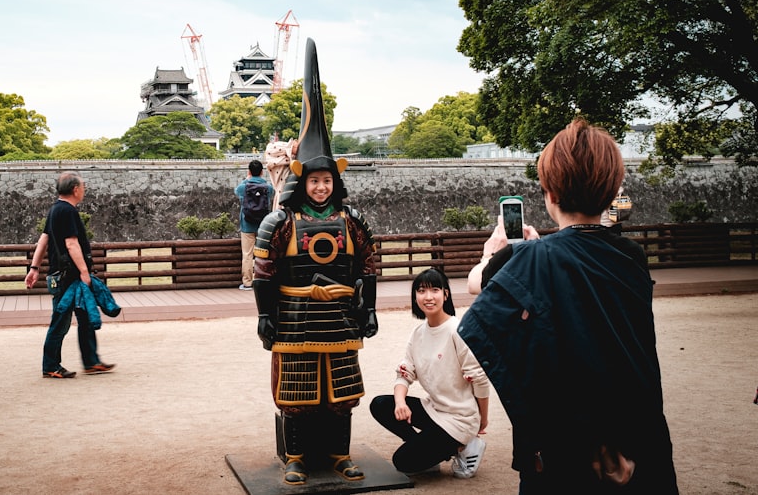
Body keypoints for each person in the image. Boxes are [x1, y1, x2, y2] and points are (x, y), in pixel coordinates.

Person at [458, 119, 678, 493]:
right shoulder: (631, 256)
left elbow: (475, 285)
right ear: (611, 190)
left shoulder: (528, 258)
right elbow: (577, 262)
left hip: (564, 443)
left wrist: (491, 254)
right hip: (637, 430)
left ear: (550, 192)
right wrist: (533, 249)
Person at [253, 39, 378, 486]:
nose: (322, 187)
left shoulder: (353, 220)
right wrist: (266, 315)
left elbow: (367, 268)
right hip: (295, 317)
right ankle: (296, 457)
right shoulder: (278, 222)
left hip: (341, 318)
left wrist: (370, 308)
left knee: (342, 393)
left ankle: (340, 454)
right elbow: (263, 274)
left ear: (336, 182)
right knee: (298, 394)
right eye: (316, 180)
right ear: (303, 181)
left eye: (328, 180)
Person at [371, 268, 490, 478]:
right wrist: (400, 403)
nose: (428, 297)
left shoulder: (458, 330)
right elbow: (404, 373)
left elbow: (479, 379)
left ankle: (466, 446)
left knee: (403, 462)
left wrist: (482, 420)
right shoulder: (419, 334)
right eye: (421, 291)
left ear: (445, 294)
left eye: (435, 290)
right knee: (380, 405)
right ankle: (431, 450)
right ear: (415, 296)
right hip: (435, 410)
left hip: (459, 419)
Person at [25, 172, 115, 378]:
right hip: (68, 277)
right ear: (75, 189)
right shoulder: (68, 211)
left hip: (62, 275)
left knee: (84, 316)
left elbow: (43, 239)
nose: (84, 190)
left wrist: (34, 268)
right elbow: (71, 243)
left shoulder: (55, 210)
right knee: (61, 320)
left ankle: (91, 361)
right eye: (83, 186)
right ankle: (50, 365)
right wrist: (84, 272)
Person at [235, 159, 273, 290]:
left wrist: (247, 179)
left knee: (247, 254)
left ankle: (247, 283)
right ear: (262, 172)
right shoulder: (268, 188)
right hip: (264, 226)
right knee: (264, 253)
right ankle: (262, 280)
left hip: (247, 225)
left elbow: (237, 191)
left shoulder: (243, 187)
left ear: (249, 171)